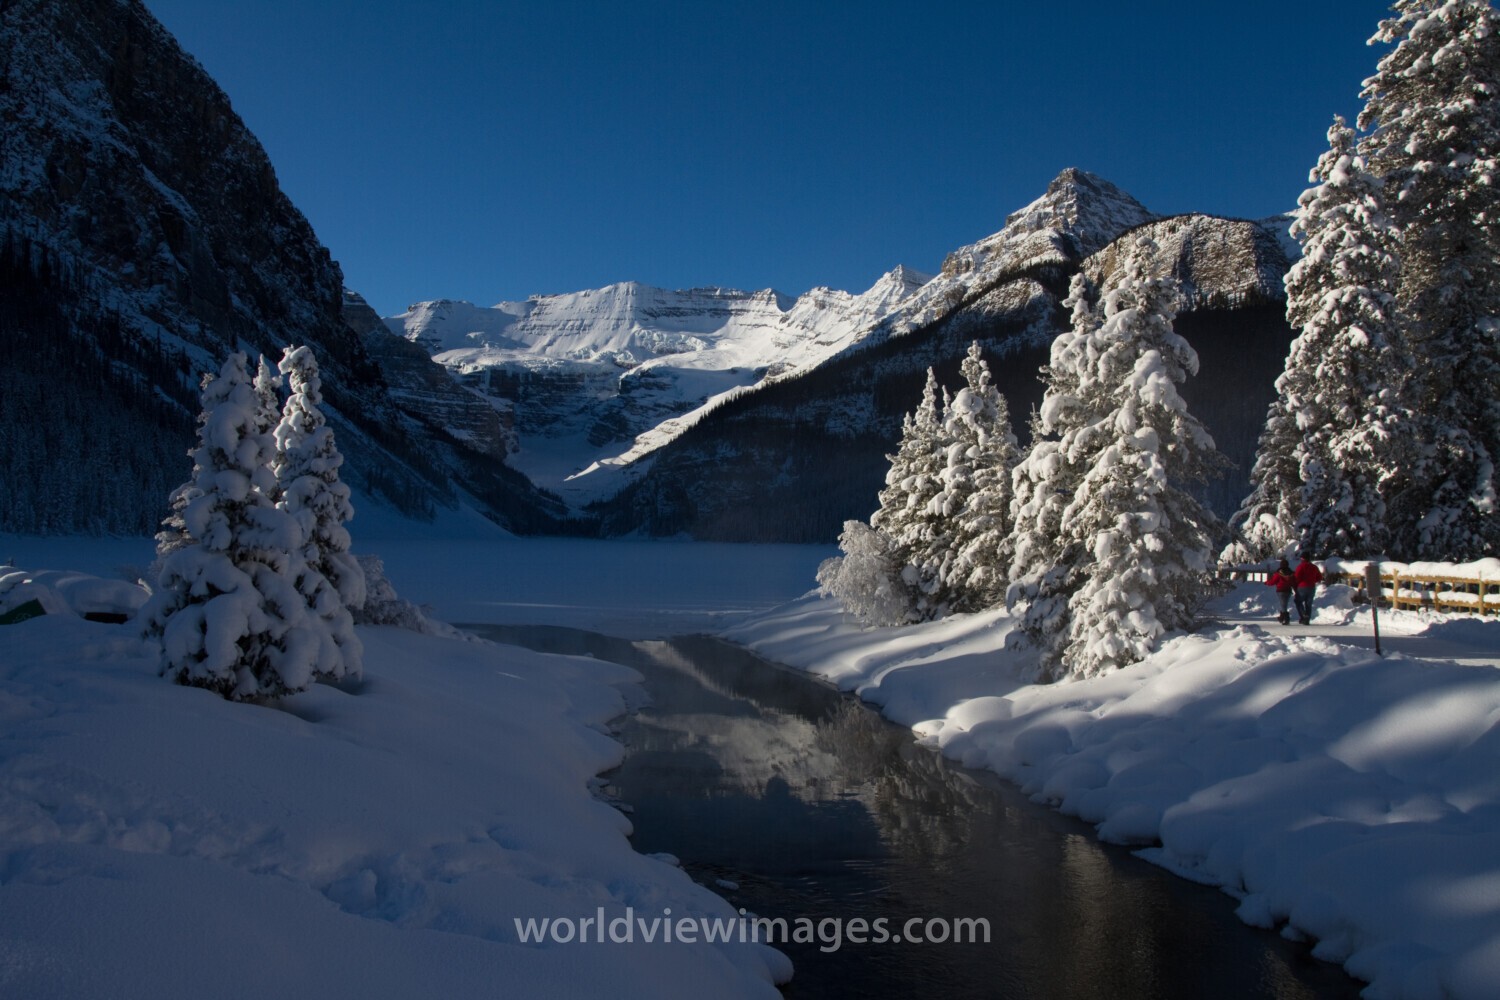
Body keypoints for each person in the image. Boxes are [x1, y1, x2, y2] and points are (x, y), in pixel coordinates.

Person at [1293, 553, 1324, 625]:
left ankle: (1303, 615)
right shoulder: (1314, 567)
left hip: (1302, 587)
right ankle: (1307, 619)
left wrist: (1296, 584)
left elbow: (1297, 577)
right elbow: (1319, 577)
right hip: (1312, 587)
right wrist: (1313, 580)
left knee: (1298, 601)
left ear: (1302, 559)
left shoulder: (1300, 567)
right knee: (1308, 604)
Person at [1265, 558, 1295, 625]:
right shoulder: (1291, 573)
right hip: (1288, 590)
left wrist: (1267, 583)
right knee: (1284, 604)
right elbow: (1293, 582)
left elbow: (1273, 581)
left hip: (1280, 590)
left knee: (1283, 604)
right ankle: (1282, 617)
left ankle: (1285, 618)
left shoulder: (1279, 573)